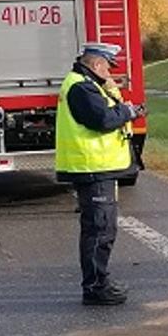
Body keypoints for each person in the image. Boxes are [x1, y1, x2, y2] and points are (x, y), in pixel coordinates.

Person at [55, 42, 143, 305]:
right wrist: (127, 111)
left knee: (101, 228)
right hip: (91, 167)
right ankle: (95, 287)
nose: (109, 72)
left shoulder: (86, 84)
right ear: (95, 64)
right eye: (107, 67)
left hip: (96, 168)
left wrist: (120, 104)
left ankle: (97, 282)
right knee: (99, 230)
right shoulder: (81, 87)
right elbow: (102, 120)